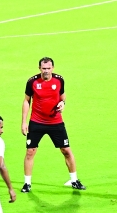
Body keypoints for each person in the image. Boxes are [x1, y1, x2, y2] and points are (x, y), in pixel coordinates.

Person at [21, 57, 85, 193]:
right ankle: (27, 184)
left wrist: (63, 103)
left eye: (48, 68)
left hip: (55, 122)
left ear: (53, 68)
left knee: (66, 150)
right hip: (36, 122)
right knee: (30, 152)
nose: (46, 71)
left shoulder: (59, 80)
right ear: (39, 68)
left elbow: (62, 96)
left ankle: (74, 180)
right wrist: (24, 121)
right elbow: (26, 101)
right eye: (43, 68)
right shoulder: (32, 82)